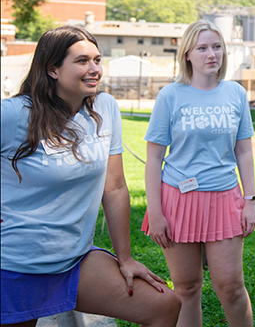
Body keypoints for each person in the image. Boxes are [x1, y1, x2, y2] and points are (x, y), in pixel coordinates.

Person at [1, 25, 181, 327]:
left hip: (74, 259)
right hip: (15, 265)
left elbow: (114, 187)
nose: (94, 68)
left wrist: (125, 258)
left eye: (97, 60)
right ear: (53, 69)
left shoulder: (104, 107)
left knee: (164, 305)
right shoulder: (14, 114)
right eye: (82, 61)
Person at [141, 20, 255, 327]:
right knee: (186, 288)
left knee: (230, 287)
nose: (211, 54)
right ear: (188, 54)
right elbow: (154, 159)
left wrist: (250, 200)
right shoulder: (170, 96)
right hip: (177, 201)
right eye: (203, 48)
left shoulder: (235, 93)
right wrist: (155, 213)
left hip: (225, 200)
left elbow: (244, 151)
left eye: (217, 47)